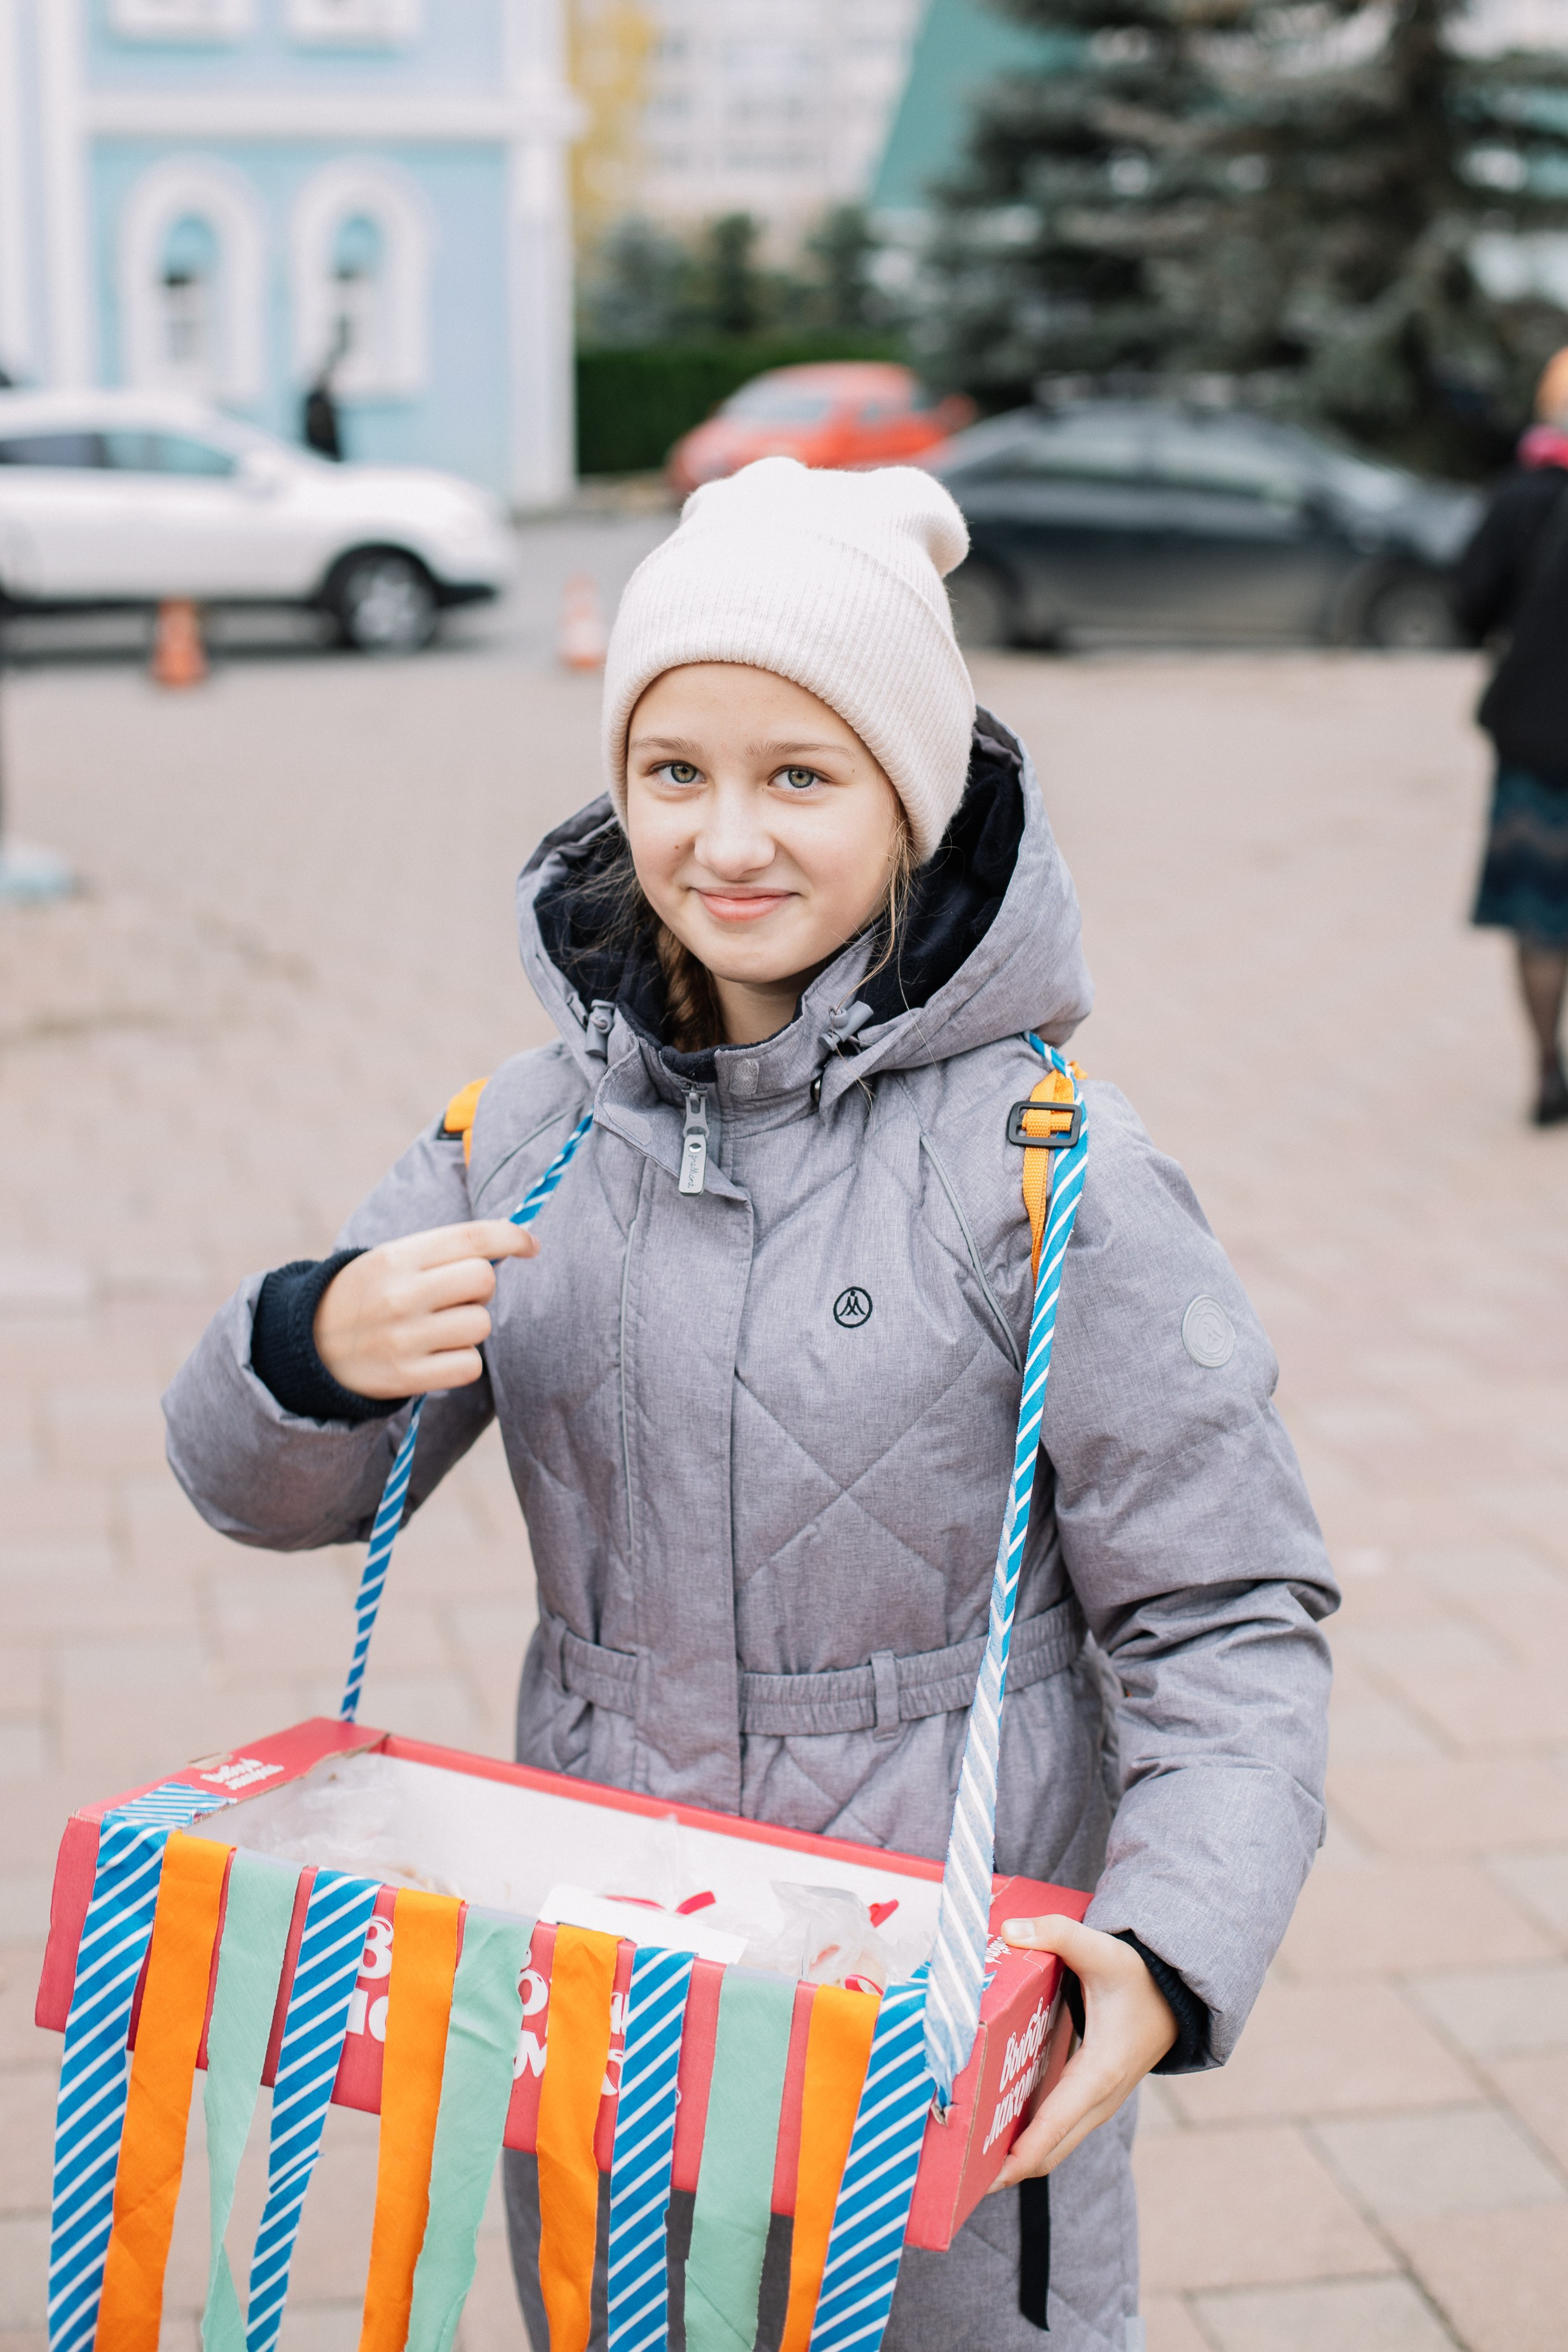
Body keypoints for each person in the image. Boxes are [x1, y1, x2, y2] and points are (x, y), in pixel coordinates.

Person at [163, 458, 1335, 2352]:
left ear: (910, 797)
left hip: (936, 1986)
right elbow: (271, 1495)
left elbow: (1229, 1613)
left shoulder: (1050, 1171)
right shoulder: (525, 1135)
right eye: (674, 770)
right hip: (601, 1962)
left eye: (801, 775)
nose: (729, 839)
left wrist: (1163, 1946)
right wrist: (305, 1345)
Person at [1456, 346, 1568, 1126]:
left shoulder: (1522, 496)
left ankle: (1545, 1069)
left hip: (1538, 734)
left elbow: (1468, 604)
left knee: (1541, 915)